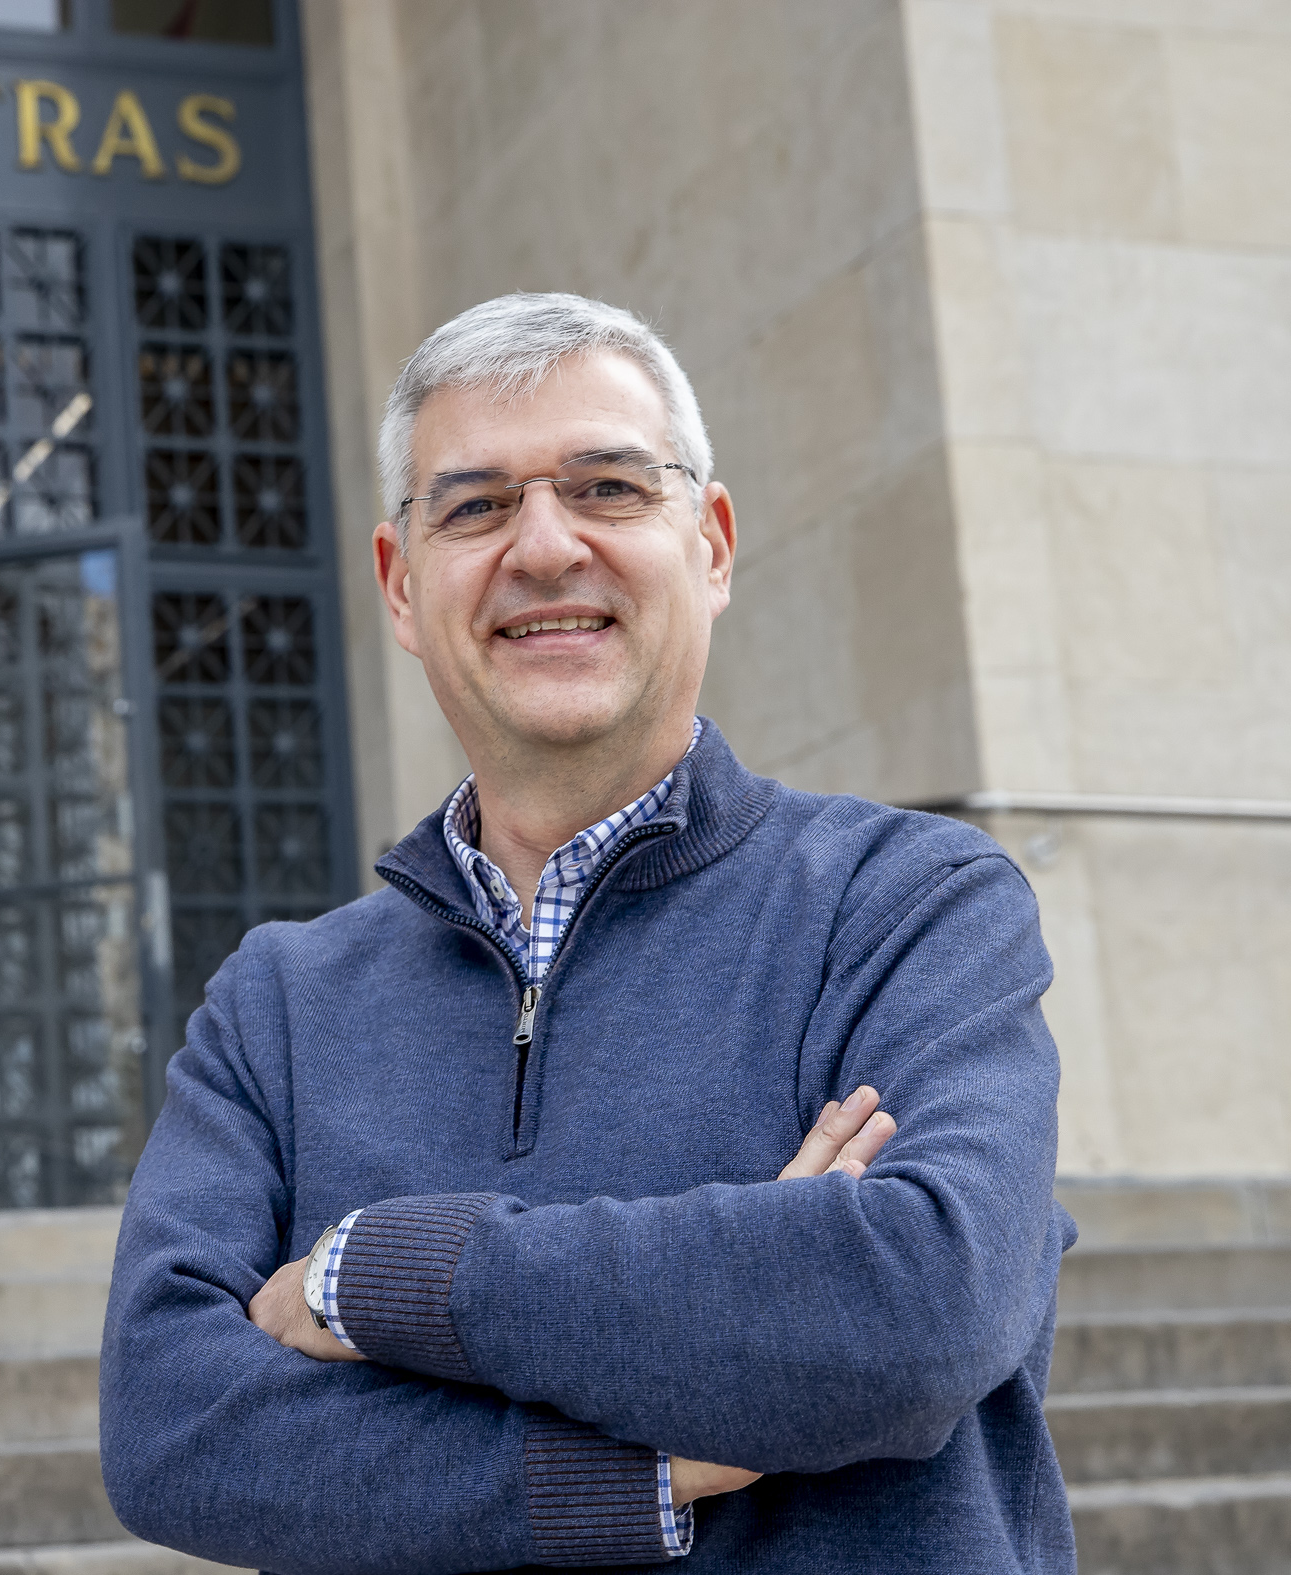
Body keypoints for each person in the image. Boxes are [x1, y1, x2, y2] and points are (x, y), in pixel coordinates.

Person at [98, 293, 1073, 1572]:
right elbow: (174, 1432)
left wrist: (377, 1273)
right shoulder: (277, 1005)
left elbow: (917, 1305)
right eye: (474, 505)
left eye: (608, 487)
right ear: (399, 584)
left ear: (710, 547)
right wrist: (645, 1454)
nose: (545, 547)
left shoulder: (910, 904)